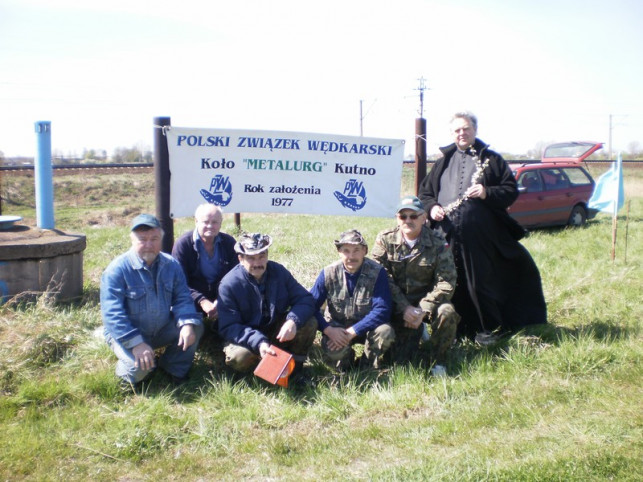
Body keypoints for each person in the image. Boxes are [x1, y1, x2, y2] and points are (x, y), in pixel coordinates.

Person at [418, 112, 547, 341]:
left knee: (481, 284)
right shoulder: (443, 162)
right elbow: (425, 193)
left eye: (466, 128)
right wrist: (432, 208)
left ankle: (486, 329)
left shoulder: (492, 160)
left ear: (475, 130)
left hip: (482, 239)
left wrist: (487, 192)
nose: (462, 133)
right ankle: (452, 331)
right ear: (452, 133)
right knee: (449, 283)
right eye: (457, 130)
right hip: (447, 237)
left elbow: (510, 191)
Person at [100, 214, 204, 385]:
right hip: (126, 334)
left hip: (161, 328)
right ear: (132, 240)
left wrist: (186, 324)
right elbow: (112, 314)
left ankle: (173, 368)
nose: (148, 245)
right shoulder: (116, 270)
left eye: (154, 239)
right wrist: (136, 344)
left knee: (195, 326)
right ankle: (125, 380)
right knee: (139, 369)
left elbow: (183, 298)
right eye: (142, 239)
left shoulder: (171, 265)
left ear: (161, 240)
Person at [372, 196, 460, 373]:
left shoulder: (437, 242)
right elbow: (380, 278)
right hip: (396, 304)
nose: (407, 220)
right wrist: (405, 308)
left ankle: (439, 361)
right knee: (401, 361)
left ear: (423, 218)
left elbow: (447, 281)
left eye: (413, 216)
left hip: (427, 303)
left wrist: (422, 309)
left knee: (447, 312)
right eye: (402, 216)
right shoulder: (385, 240)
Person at [217, 233, 317, 380]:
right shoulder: (229, 284)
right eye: (251, 258)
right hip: (246, 336)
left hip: (273, 329)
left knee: (309, 322)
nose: (257, 262)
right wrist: (259, 342)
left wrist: (292, 321)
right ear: (240, 259)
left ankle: (295, 369)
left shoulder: (278, 272)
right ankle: (257, 375)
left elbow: (306, 299)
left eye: (262, 256)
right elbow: (229, 326)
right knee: (240, 357)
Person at [310, 229, 395, 371]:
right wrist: (328, 330)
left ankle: (366, 364)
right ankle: (347, 362)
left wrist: (354, 331)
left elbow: (382, 310)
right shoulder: (328, 273)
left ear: (365, 251)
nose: (351, 256)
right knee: (336, 356)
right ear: (339, 252)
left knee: (385, 331)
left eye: (356, 250)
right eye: (346, 251)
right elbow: (310, 306)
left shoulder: (377, 272)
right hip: (337, 329)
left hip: (367, 327)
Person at [172, 203, 238, 327]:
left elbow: (236, 276)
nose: (210, 226)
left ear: (221, 223)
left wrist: (222, 299)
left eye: (215, 222)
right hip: (191, 298)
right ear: (196, 221)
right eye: (205, 222)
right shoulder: (183, 245)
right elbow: (179, 283)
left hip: (222, 297)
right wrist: (202, 301)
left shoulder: (229, 243)